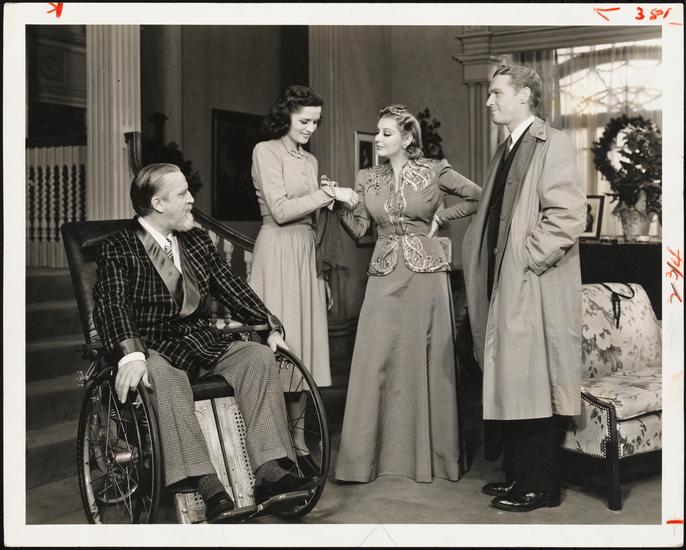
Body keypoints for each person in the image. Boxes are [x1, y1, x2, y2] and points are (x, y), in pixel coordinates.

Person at [92, 163, 317, 523]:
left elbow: (232, 287)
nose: (191, 200)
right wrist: (130, 355)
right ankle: (206, 483)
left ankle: (269, 470)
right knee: (161, 377)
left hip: (200, 342)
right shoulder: (119, 247)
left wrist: (269, 327)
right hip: (153, 347)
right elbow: (112, 304)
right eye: (182, 193)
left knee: (258, 358)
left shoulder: (196, 240)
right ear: (158, 203)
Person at [461, 64, 586, 512]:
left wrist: (527, 258)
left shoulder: (553, 142)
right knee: (513, 378)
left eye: (497, 93)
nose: (489, 101)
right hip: (507, 281)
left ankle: (541, 486)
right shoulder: (507, 147)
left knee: (533, 380)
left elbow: (568, 214)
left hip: (533, 281)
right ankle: (518, 476)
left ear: (525, 96)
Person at [334, 104, 481, 483]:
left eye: (386, 133)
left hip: (426, 276)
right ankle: (367, 461)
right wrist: (340, 206)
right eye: (377, 132)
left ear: (407, 137)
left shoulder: (435, 170)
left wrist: (441, 217)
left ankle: (433, 458)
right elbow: (359, 229)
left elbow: (478, 196)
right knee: (375, 359)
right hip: (383, 273)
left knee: (425, 360)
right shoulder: (367, 177)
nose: (378, 139)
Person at [249, 85, 357, 464]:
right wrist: (332, 194)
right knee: (281, 348)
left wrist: (321, 275)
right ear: (287, 116)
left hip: (305, 255)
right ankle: (274, 445)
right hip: (277, 251)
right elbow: (279, 211)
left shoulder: (309, 161)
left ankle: (300, 444)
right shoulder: (265, 151)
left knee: (303, 353)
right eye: (305, 121)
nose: (311, 128)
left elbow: (314, 221)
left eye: (316, 122)